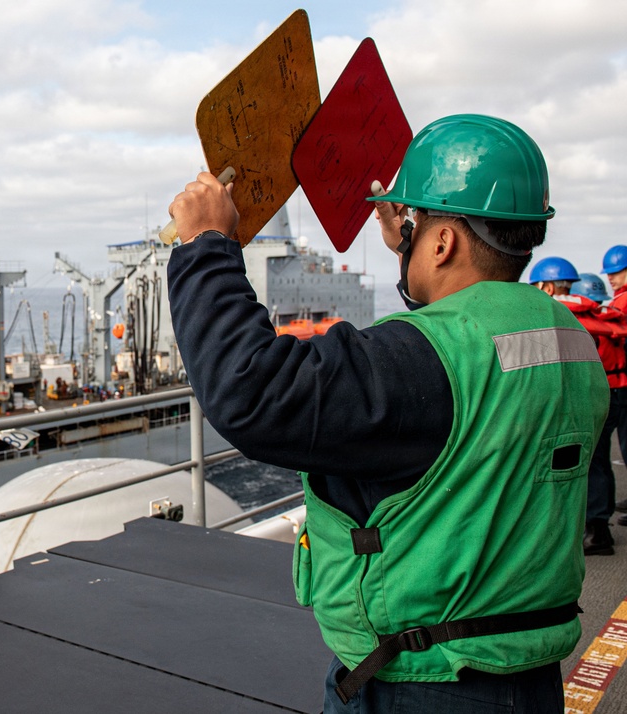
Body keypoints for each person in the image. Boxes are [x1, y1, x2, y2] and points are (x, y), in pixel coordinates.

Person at [165, 114, 609, 712]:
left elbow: (251, 391)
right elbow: (462, 396)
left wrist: (205, 249)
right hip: (525, 677)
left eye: (418, 227)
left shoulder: (432, 357)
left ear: (444, 242)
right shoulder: (570, 338)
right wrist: (411, 237)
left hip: (424, 684)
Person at [530, 261, 627, 554]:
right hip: (615, 389)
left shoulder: (551, 314)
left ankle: (582, 530)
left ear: (546, 286)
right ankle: (598, 527)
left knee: (577, 464)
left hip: (577, 398)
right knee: (599, 464)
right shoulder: (597, 312)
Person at [600, 246, 627, 524]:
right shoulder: (618, 300)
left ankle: (597, 519)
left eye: (616, 272)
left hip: (619, 384)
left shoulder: (621, 303)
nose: (611, 277)